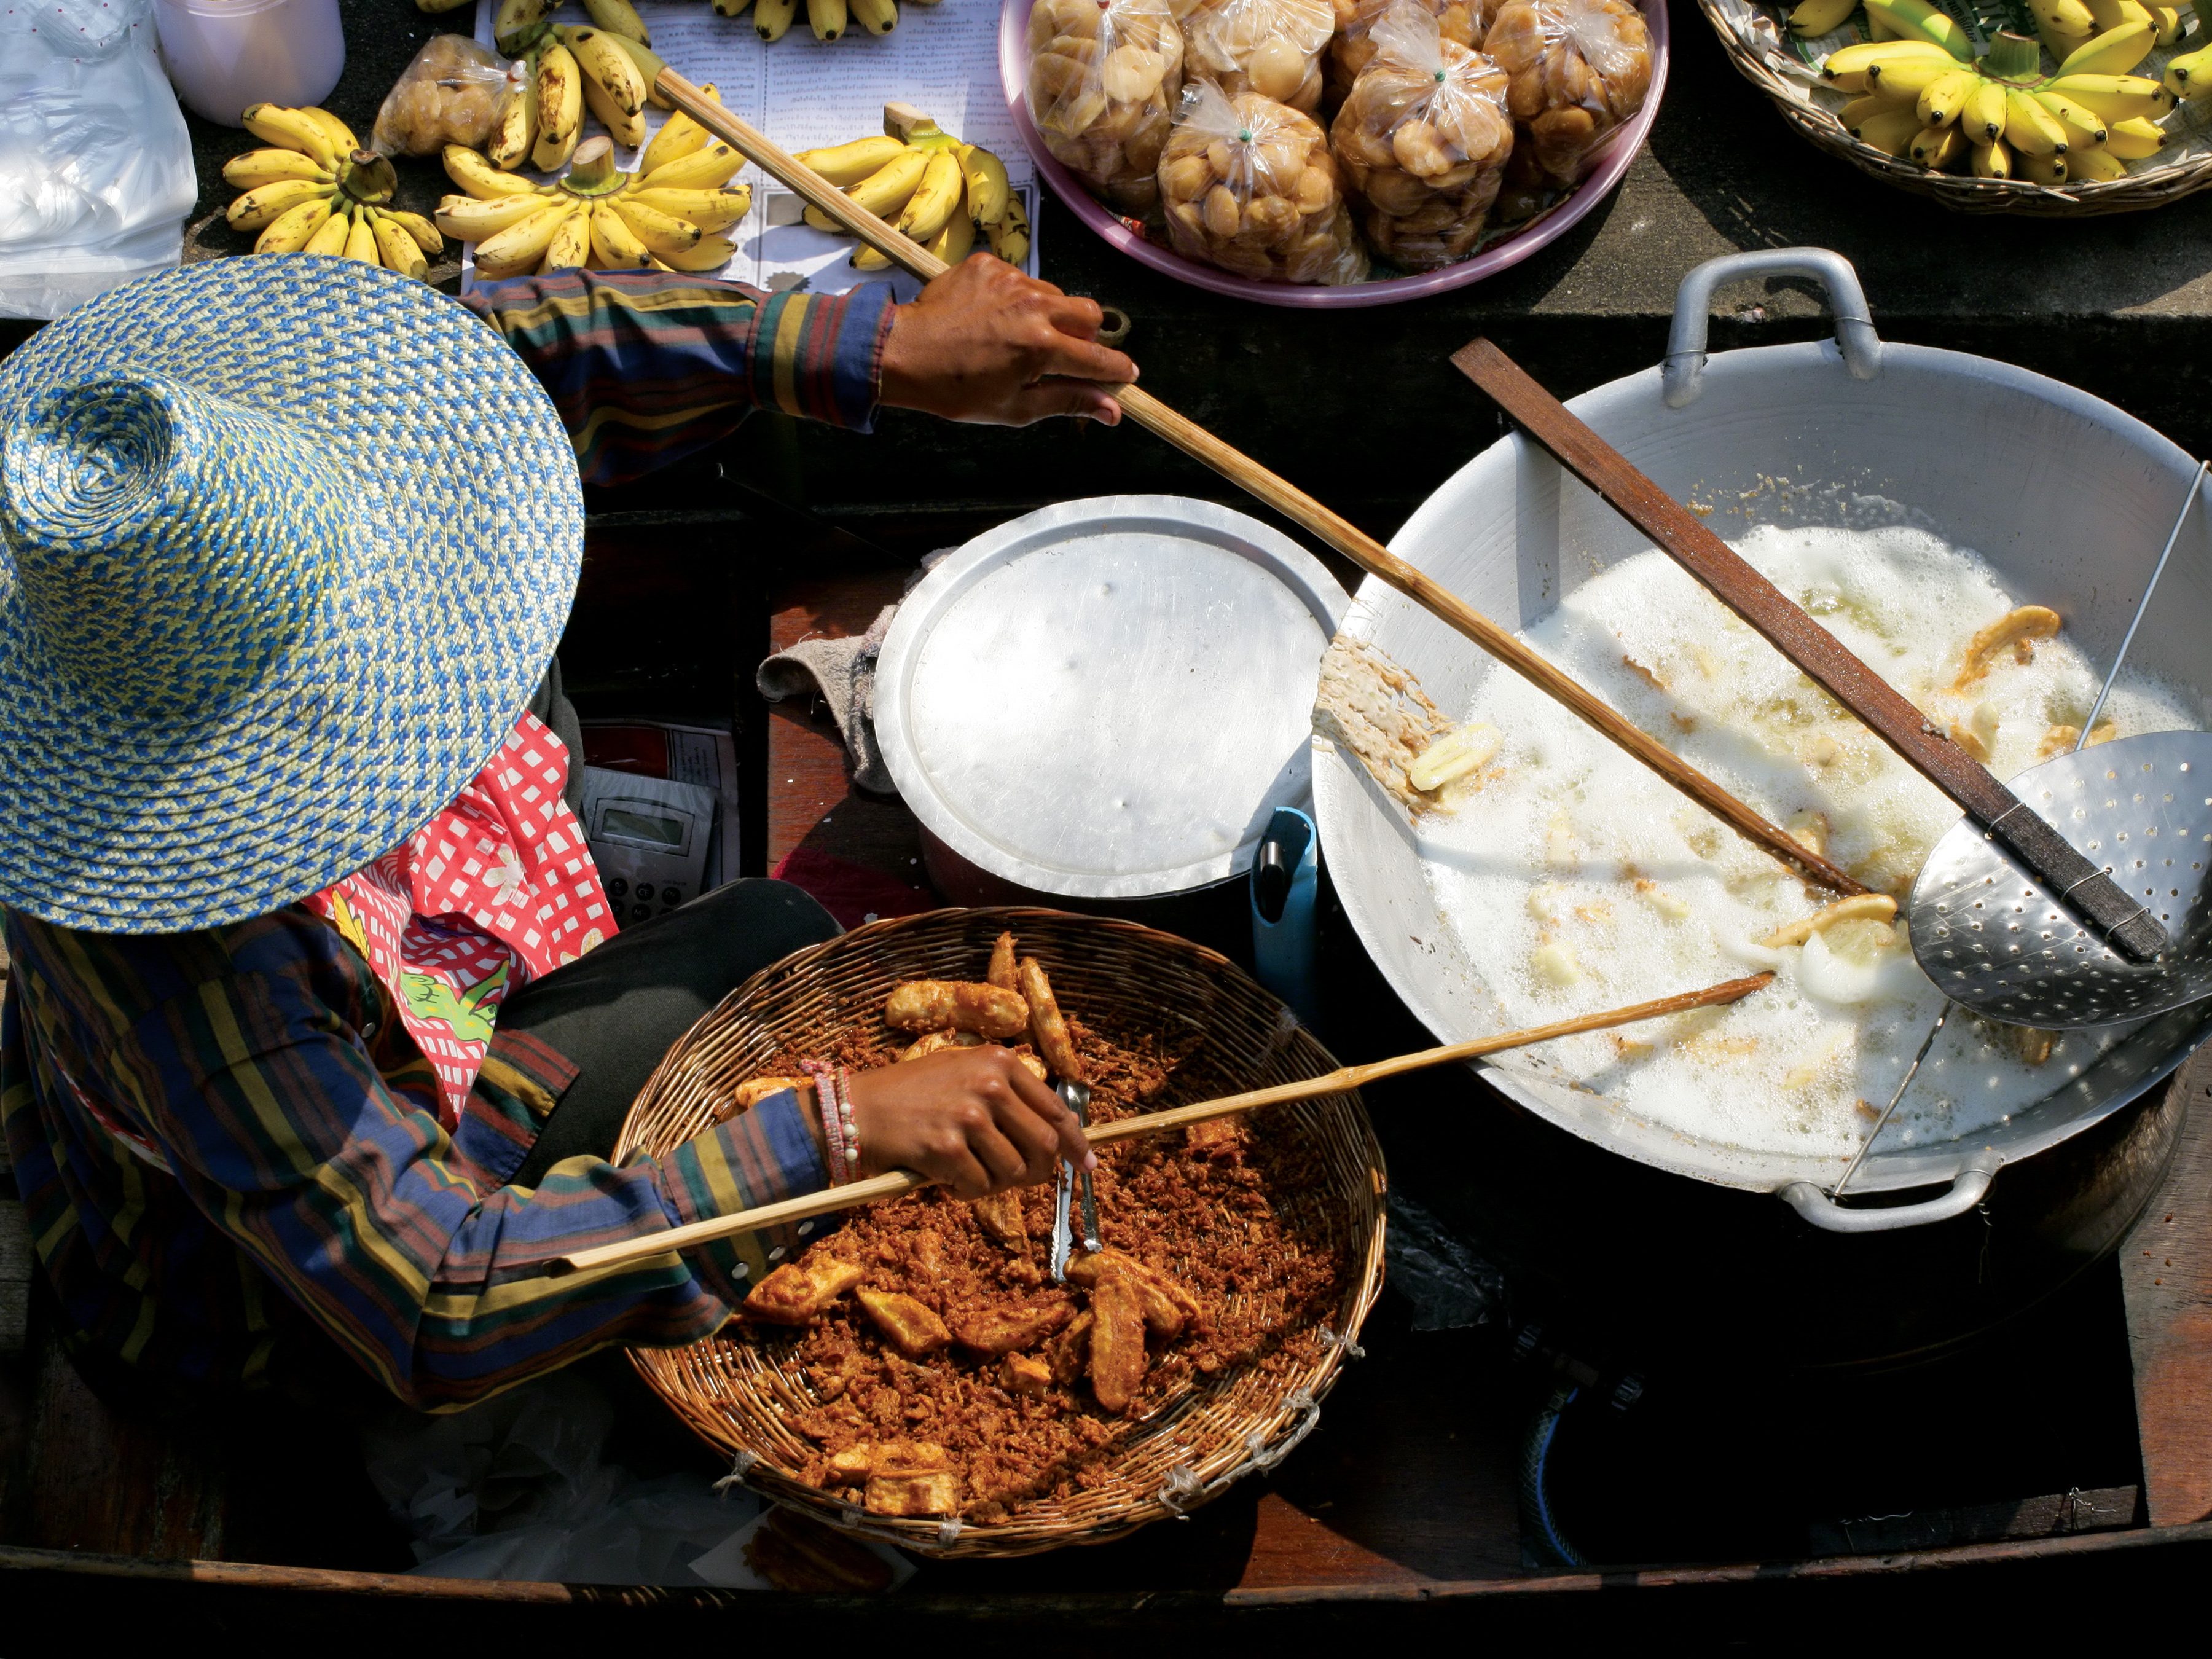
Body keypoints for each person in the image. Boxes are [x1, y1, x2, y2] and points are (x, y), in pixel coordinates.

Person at [0, 249, 1134, 1412]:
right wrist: (831, 1136)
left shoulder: (217, 460)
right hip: (288, 1293)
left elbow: (512, 354)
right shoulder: (194, 970)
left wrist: (871, 348)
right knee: (767, 938)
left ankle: (525, 984)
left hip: (384, 1004)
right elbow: (439, 1305)